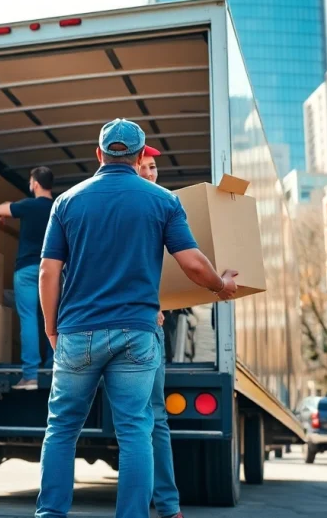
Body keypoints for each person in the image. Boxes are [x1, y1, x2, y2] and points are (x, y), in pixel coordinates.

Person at [36, 119, 237, 518]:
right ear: (139, 157)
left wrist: (50, 326)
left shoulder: (67, 202)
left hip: (78, 331)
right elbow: (192, 263)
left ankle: (50, 515)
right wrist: (221, 285)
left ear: (99, 154)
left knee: (61, 429)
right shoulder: (161, 200)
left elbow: (47, 271)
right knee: (135, 433)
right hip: (136, 333)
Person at [135, 143, 182, 518]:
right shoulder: (144, 207)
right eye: (144, 166)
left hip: (146, 322)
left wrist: (158, 304)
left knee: (151, 417)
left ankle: (166, 506)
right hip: (134, 325)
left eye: (154, 167)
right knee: (143, 419)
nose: (151, 172)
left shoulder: (163, 206)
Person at [0, 166, 54, 391]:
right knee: (54, 318)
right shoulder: (60, 206)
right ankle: (52, 368)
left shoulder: (27, 206)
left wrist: (4, 215)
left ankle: (30, 377)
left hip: (27, 268)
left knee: (28, 318)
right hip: (53, 268)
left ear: (35, 184)